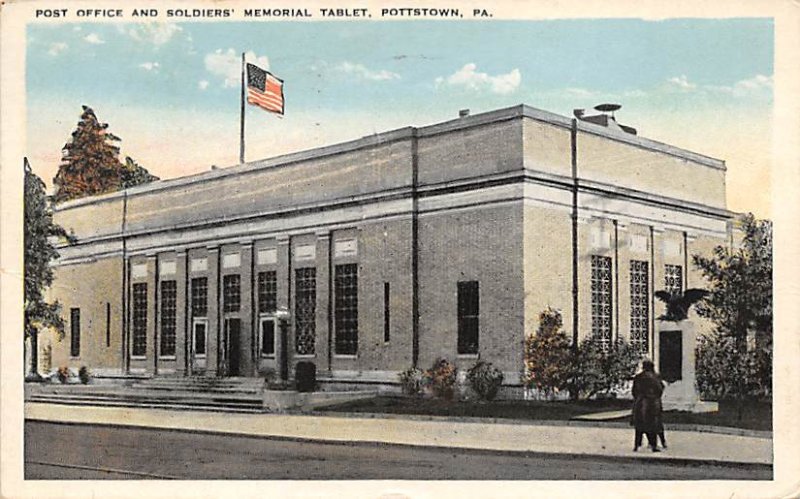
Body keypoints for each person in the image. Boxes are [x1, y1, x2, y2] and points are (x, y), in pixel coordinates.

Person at [631, 359, 664, 452]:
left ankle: (636, 445)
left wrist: (638, 398)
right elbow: (660, 389)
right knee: (653, 424)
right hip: (652, 403)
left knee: (639, 425)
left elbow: (634, 391)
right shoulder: (655, 377)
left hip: (640, 402)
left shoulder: (638, 377)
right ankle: (654, 445)